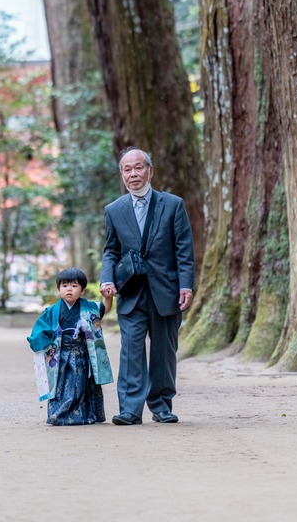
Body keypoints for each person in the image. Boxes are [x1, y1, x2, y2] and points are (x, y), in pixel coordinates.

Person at [99, 146, 195, 425]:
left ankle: (162, 405)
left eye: (138, 167)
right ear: (122, 175)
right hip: (130, 291)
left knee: (164, 351)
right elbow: (110, 251)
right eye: (127, 169)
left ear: (150, 171)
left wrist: (186, 286)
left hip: (166, 290)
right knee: (131, 350)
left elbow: (184, 250)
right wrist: (107, 279)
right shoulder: (114, 210)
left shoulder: (173, 204)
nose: (133, 174)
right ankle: (129, 409)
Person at [26, 268, 114, 426]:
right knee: (60, 386)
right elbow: (39, 329)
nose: (69, 289)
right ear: (59, 289)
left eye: (74, 286)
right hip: (60, 356)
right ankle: (58, 414)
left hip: (81, 355)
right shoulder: (52, 311)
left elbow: (104, 310)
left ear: (82, 290)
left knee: (80, 386)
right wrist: (42, 337)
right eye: (65, 285)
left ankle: (84, 416)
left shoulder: (89, 307)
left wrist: (108, 298)